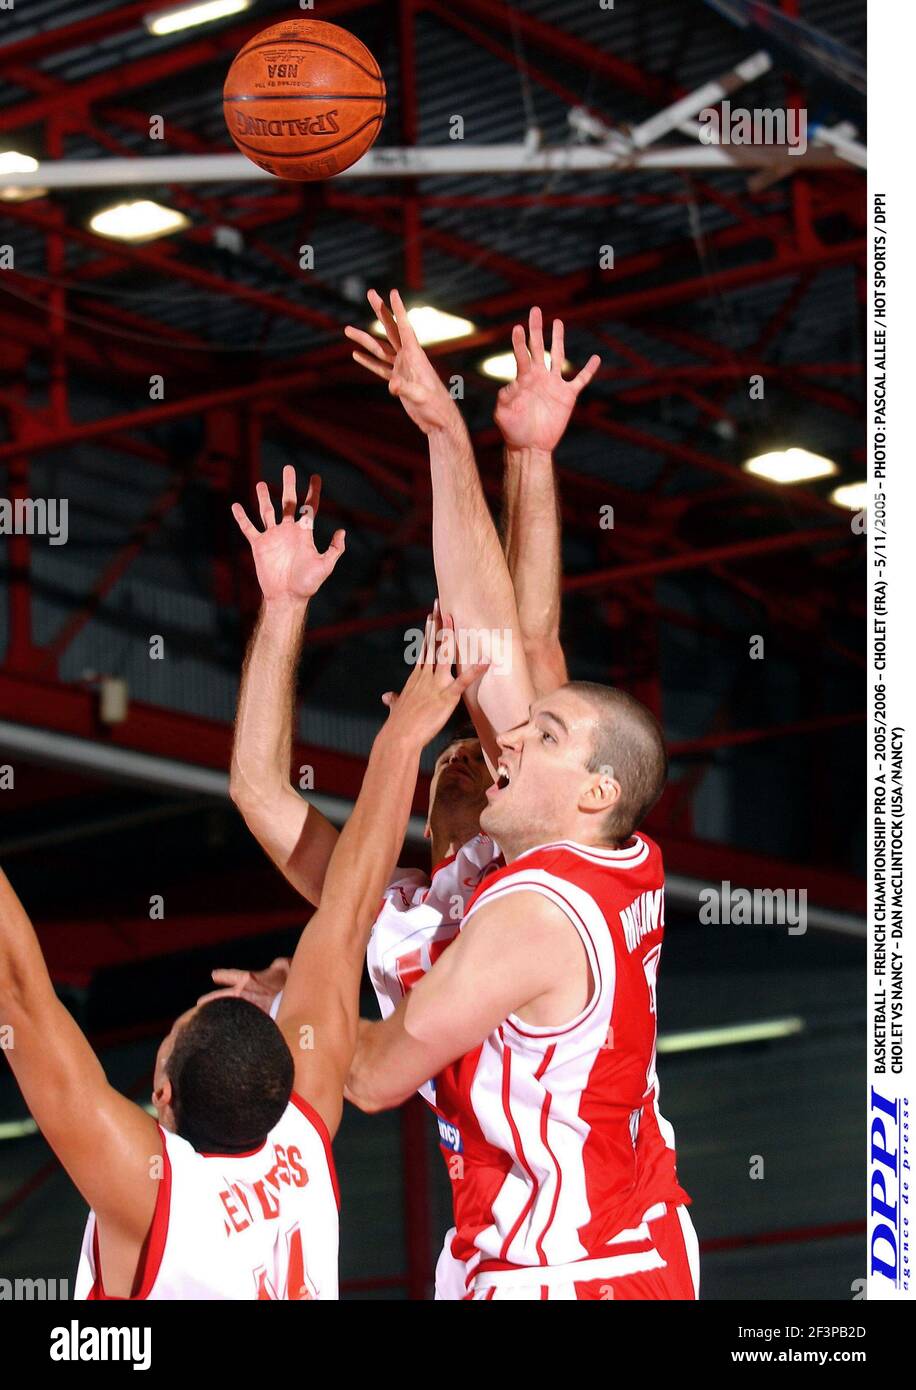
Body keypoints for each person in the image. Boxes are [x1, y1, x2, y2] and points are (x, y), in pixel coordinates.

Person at [341, 291, 697, 1300]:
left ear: (588, 789)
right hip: (592, 1236)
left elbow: (367, 1075)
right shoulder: (607, 846)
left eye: (534, 737)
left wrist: (278, 1028)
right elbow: (517, 642)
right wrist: (467, 439)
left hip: (575, 1268)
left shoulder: (529, 910)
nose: (499, 742)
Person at [0, 584, 477, 1299]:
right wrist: (402, 739)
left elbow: (345, 911)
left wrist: (405, 737)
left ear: (164, 1093)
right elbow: (19, 999)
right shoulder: (294, 1145)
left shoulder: (187, 1176)